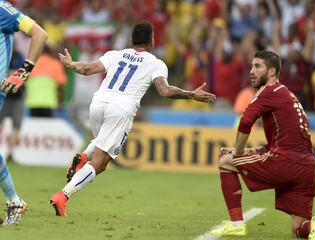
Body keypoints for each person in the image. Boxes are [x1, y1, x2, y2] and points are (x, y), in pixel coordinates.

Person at [50, 21, 216, 216]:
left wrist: (70, 64)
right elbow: (165, 90)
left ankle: (84, 156)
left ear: (132, 39)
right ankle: (63, 195)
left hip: (98, 103)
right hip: (120, 110)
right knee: (100, 162)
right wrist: (191, 94)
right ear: (152, 40)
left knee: (101, 153)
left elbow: (86, 69)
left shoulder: (116, 54)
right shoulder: (155, 63)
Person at [210, 50, 315, 240]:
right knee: (299, 229)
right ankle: (314, 228)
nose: (251, 71)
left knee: (225, 161)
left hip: (285, 162)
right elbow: (275, 144)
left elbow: (245, 122)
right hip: (307, 168)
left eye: (257, 66)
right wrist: (244, 151)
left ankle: (236, 224)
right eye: (251, 66)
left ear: (271, 72)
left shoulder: (268, 91)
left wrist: (237, 154)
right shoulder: (286, 93)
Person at [0, 0, 47, 225]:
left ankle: (14, 200)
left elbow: (40, 34)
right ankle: (14, 200)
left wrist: (23, 72)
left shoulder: (2, 9)